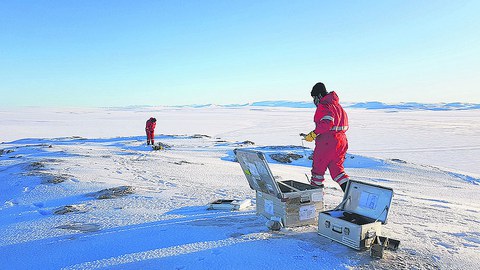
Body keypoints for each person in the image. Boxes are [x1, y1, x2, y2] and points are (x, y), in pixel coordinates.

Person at [302, 82, 350, 191]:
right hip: (341, 141)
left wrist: (313, 134)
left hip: (327, 143)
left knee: (317, 173)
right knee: (337, 171)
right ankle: (352, 196)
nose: (314, 101)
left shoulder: (324, 105)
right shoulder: (338, 106)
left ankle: (315, 202)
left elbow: (327, 124)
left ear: (319, 95)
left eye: (314, 97)